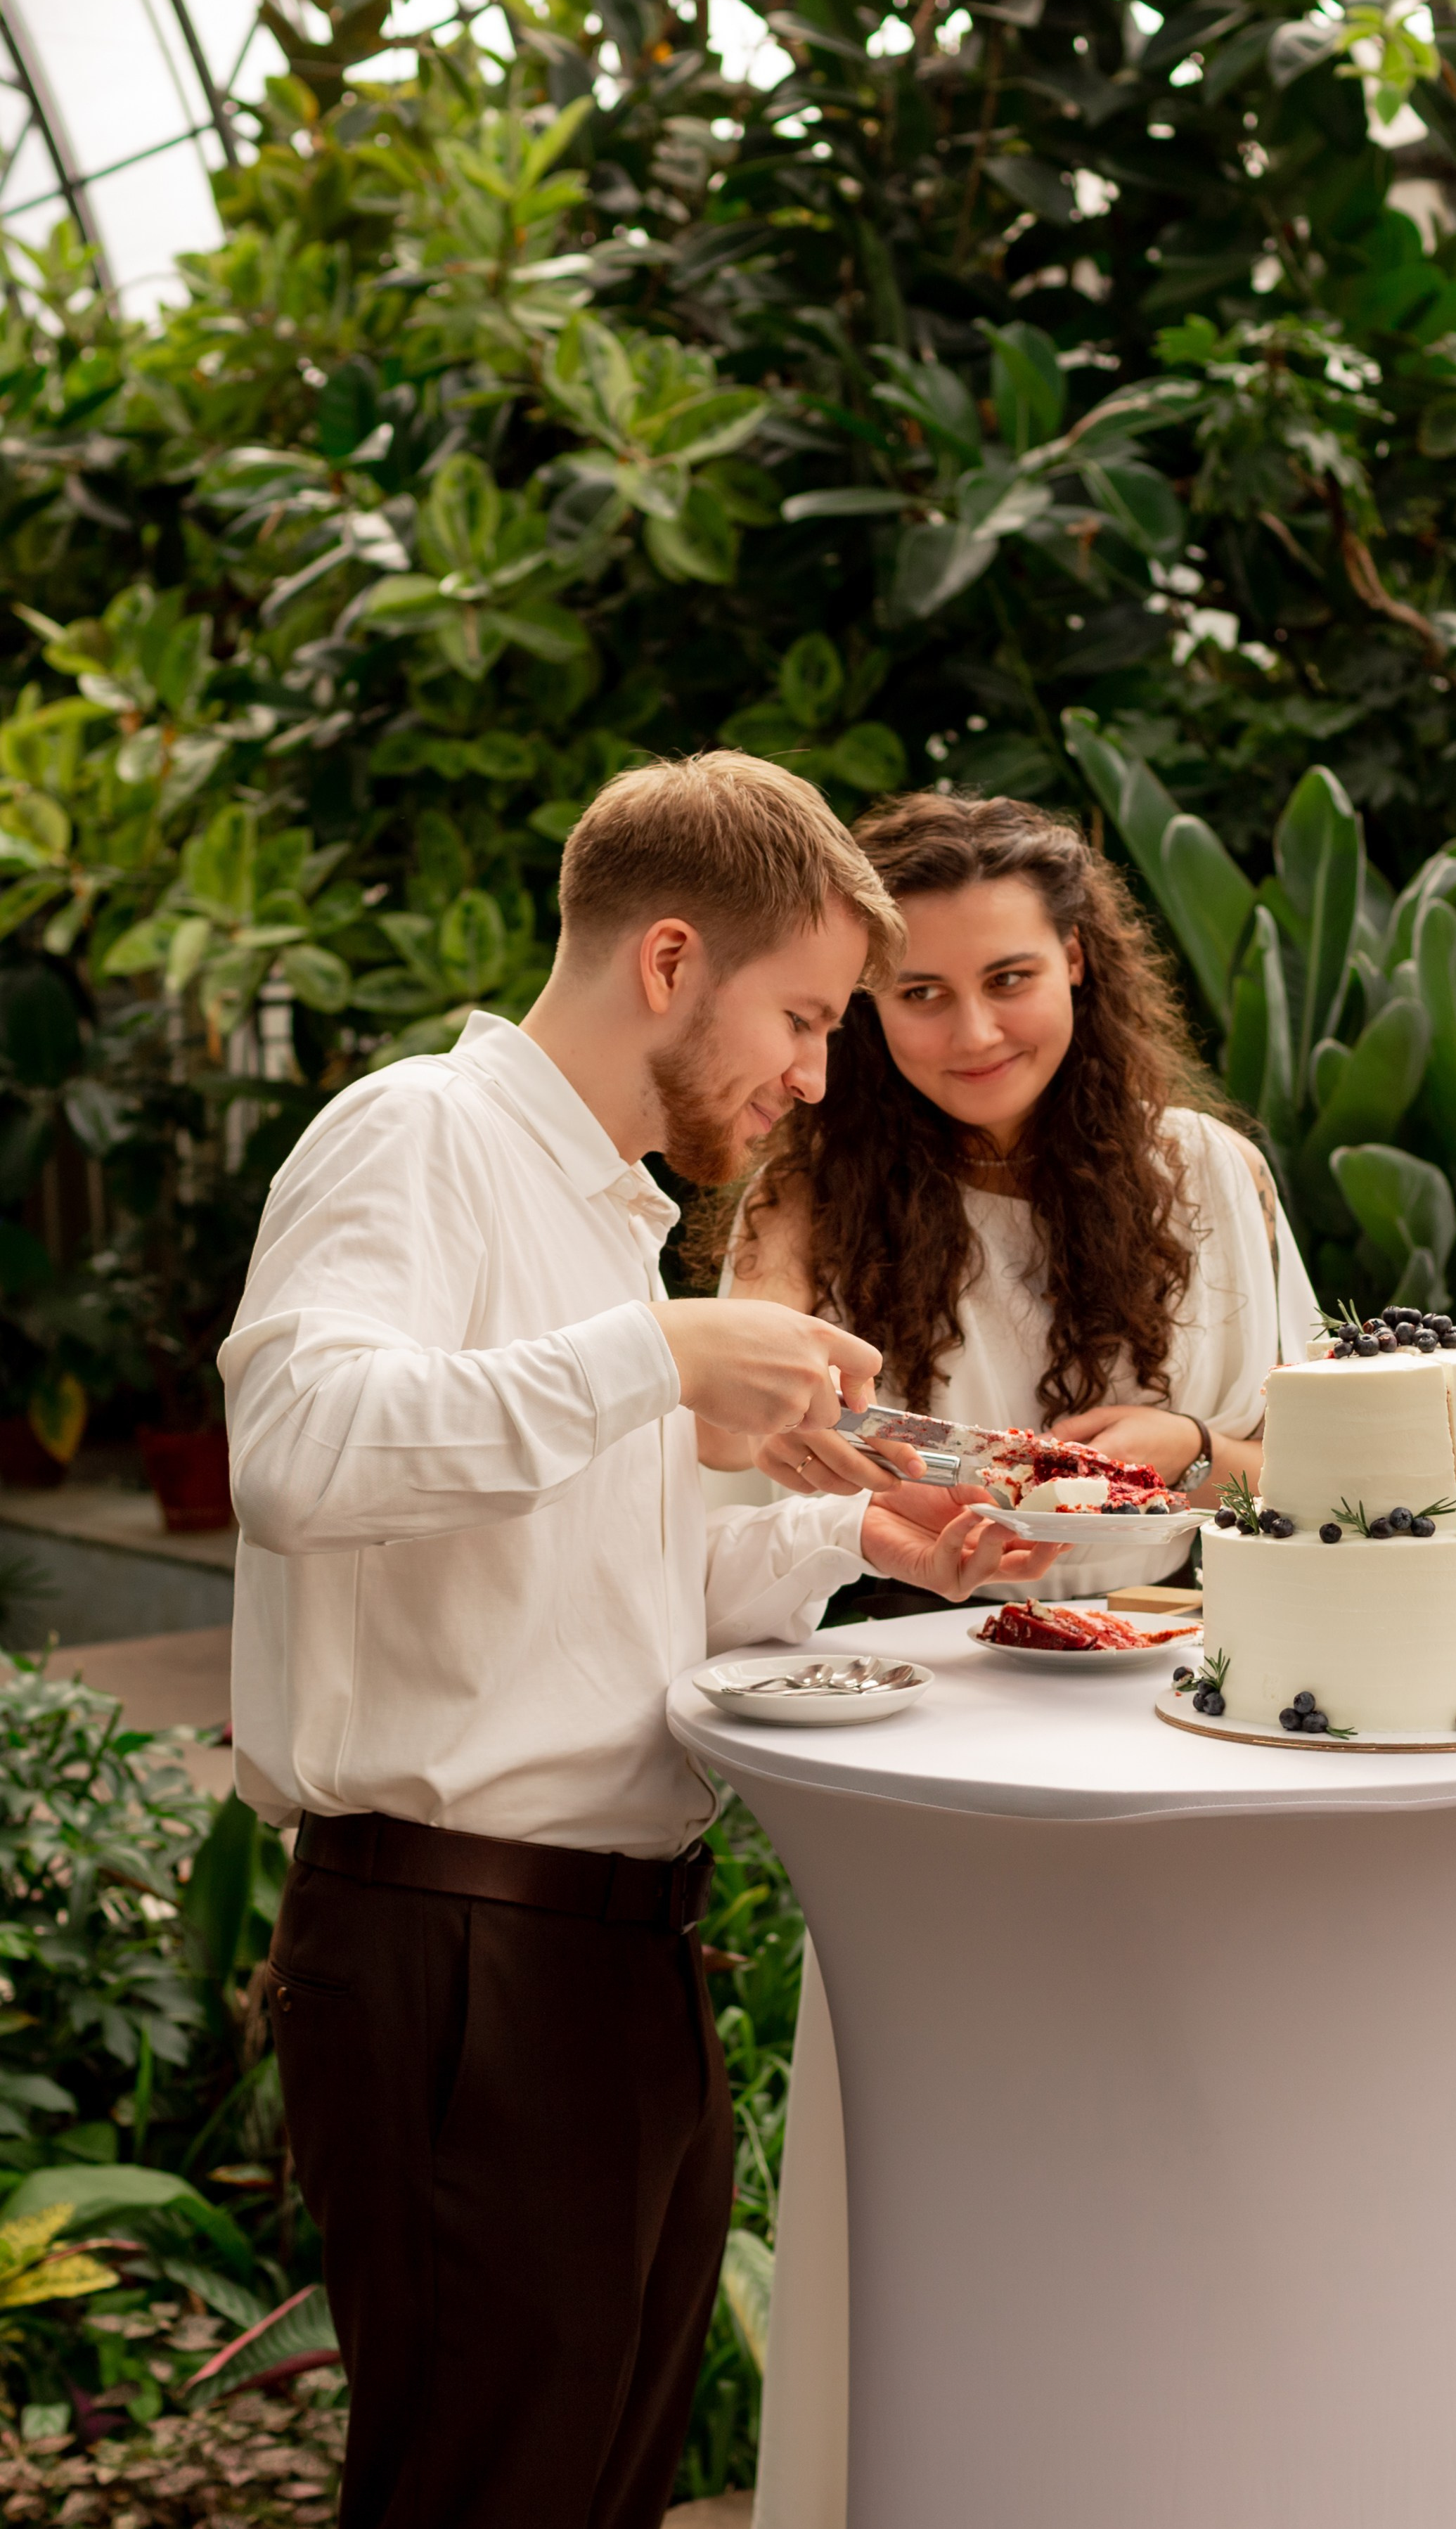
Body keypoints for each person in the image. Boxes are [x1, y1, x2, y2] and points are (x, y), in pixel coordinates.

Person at [218, 754, 1063, 2529]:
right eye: (809, 1015)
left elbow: (594, 1593)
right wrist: (662, 1359)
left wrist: (855, 1533)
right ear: (669, 960)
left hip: (608, 1961)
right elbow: (295, 1453)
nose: (817, 1075)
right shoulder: (418, 1133)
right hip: (456, 1944)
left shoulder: (607, 1213)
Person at [693, 791, 1318, 2528]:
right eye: (920, 994)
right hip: (926, 1734)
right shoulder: (810, 1188)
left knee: (1179, 2162)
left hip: (1188, 1736)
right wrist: (874, 1490)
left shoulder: (1209, 1174)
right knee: (947, 2161)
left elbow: (1328, 1476)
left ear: (1085, 971)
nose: (973, 1031)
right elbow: (725, 1491)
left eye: (1013, 978)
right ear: (864, 1011)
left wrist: (1191, 1442)